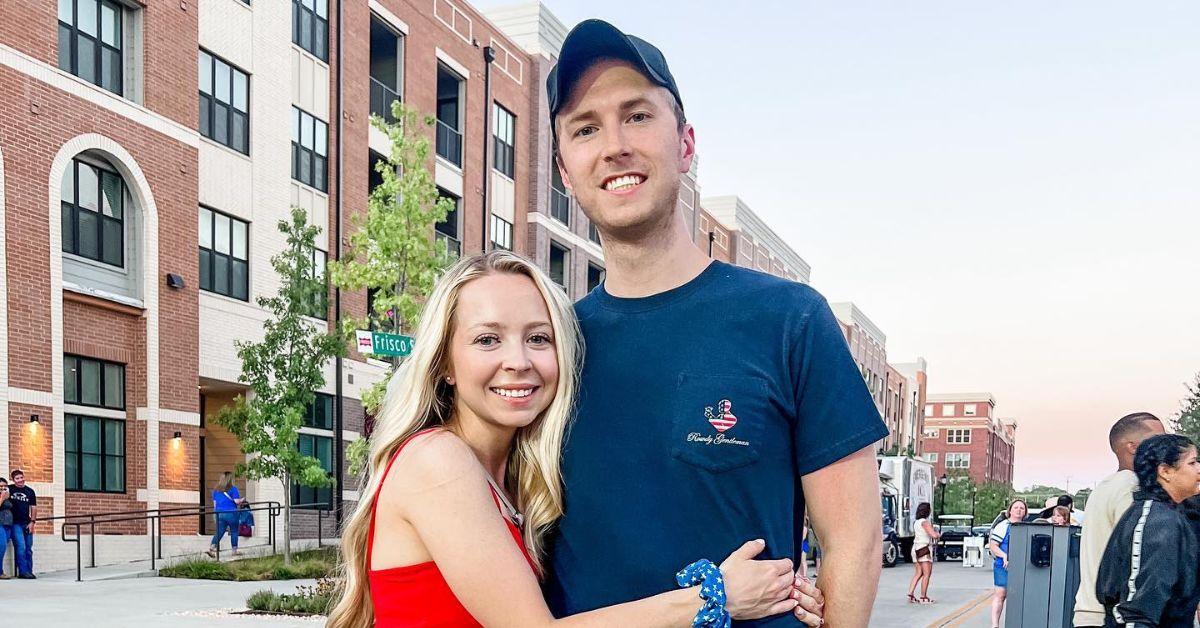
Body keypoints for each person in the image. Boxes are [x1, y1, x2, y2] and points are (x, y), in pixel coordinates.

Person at [541, 19, 886, 626]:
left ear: (687, 142)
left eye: (638, 115)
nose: (615, 144)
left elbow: (853, 543)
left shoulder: (790, 319)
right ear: (566, 171)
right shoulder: (546, 350)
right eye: (586, 128)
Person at [327, 252, 807, 628]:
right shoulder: (436, 461)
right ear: (445, 365)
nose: (518, 361)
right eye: (487, 340)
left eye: (538, 338)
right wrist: (716, 595)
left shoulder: (511, 477)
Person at [1097, 433, 1200, 626]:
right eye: (1192, 463)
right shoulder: (1157, 520)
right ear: (1165, 471)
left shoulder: (1170, 516)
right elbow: (1136, 612)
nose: (1198, 470)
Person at [1073, 412, 1165, 627]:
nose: (1166, 445)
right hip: (1115, 617)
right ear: (1133, 447)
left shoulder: (1105, 487)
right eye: (1159, 438)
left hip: (1091, 613)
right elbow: (1140, 557)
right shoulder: (1132, 488)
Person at [987, 498, 1027, 628]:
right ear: (1010, 510)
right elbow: (993, 546)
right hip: (1003, 565)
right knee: (1000, 594)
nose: (1019, 510)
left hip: (1021, 567)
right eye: (1016, 507)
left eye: (1022, 508)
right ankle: (995, 625)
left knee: (1017, 596)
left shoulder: (1026, 527)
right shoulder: (1003, 526)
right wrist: (1004, 555)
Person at [907, 502, 940, 604]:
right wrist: (938, 534)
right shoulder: (925, 522)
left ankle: (910, 594)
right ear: (927, 511)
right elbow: (933, 535)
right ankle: (923, 596)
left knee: (918, 573)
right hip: (924, 549)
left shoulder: (916, 522)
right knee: (927, 574)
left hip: (915, 548)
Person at [207, 472, 243, 558]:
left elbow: (215, 504)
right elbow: (236, 502)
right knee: (234, 531)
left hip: (219, 513)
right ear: (230, 479)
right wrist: (242, 500)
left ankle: (212, 548)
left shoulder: (215, 491)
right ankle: (234, 550)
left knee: (220, 531)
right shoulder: (233, 489)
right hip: (231, 513)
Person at [7, 469, 36, 579]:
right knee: (21, 547)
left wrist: (32, 522)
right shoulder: (9, 489)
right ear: (13, 480)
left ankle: (29, 570)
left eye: (21, 477)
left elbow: (33, 508)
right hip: (15, 523)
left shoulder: (30, 491)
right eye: (17, 478)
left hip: (27, 523)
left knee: (28, 548)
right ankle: (23, 572)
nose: (20, 480)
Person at [0, 477, 12, 579]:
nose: (3, 488)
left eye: (5, 486)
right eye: (1, 486)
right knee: (1, 547)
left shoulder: (8, 495)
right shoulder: (3, 496)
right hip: (0, 524)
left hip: (7, 525)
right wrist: (2, 498)